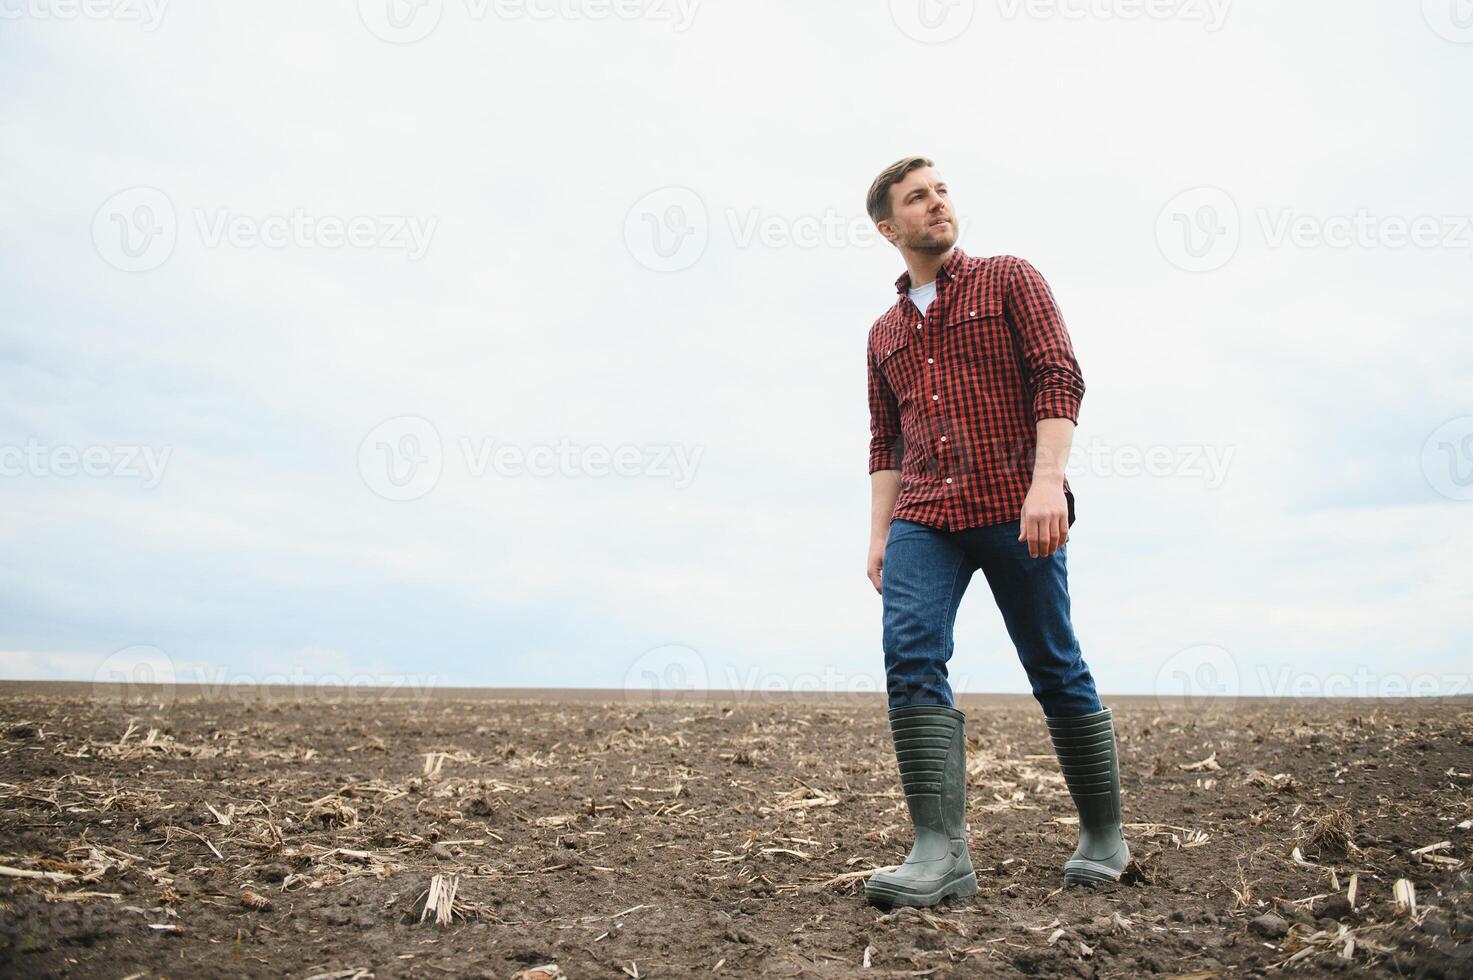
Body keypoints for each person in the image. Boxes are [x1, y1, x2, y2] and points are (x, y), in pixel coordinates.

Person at [861, 156, 1130, 909]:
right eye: (918, 198)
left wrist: (1046, 482)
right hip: (922, 515)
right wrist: (880, 535)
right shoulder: (882, 332)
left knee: (1052, 661)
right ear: (889, 227)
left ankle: (1103, 835)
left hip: (1014, 501)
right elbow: (886, 441)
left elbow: (1057, 375)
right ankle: (939, 853)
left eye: (941, 191)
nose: (937, 204)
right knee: (909, 653)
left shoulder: (1010, 277)